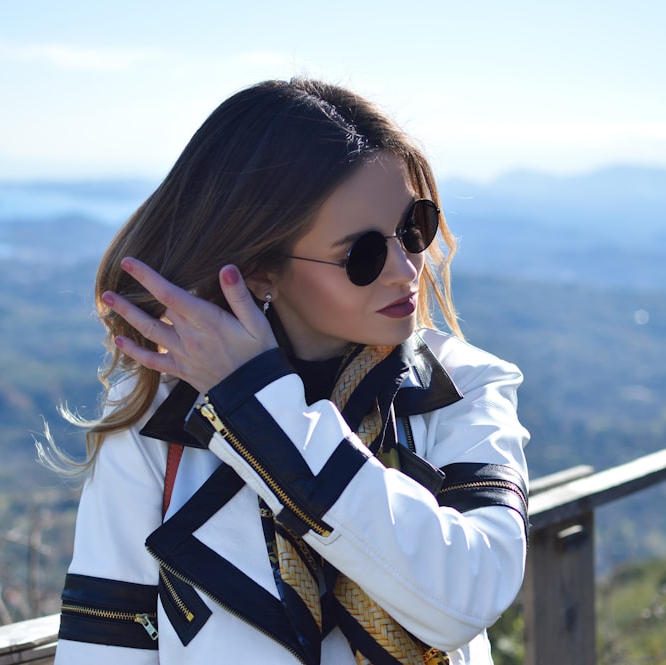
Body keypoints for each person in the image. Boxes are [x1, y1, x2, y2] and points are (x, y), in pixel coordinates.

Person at [41, 78, 529, 665]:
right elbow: (103, 651)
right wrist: (246, 402)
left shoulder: (463, 387)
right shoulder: (155, 424)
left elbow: (468, 595)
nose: (406, 269)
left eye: (414, 228)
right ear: (261, 270)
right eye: (363, 254)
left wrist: (259, 408)